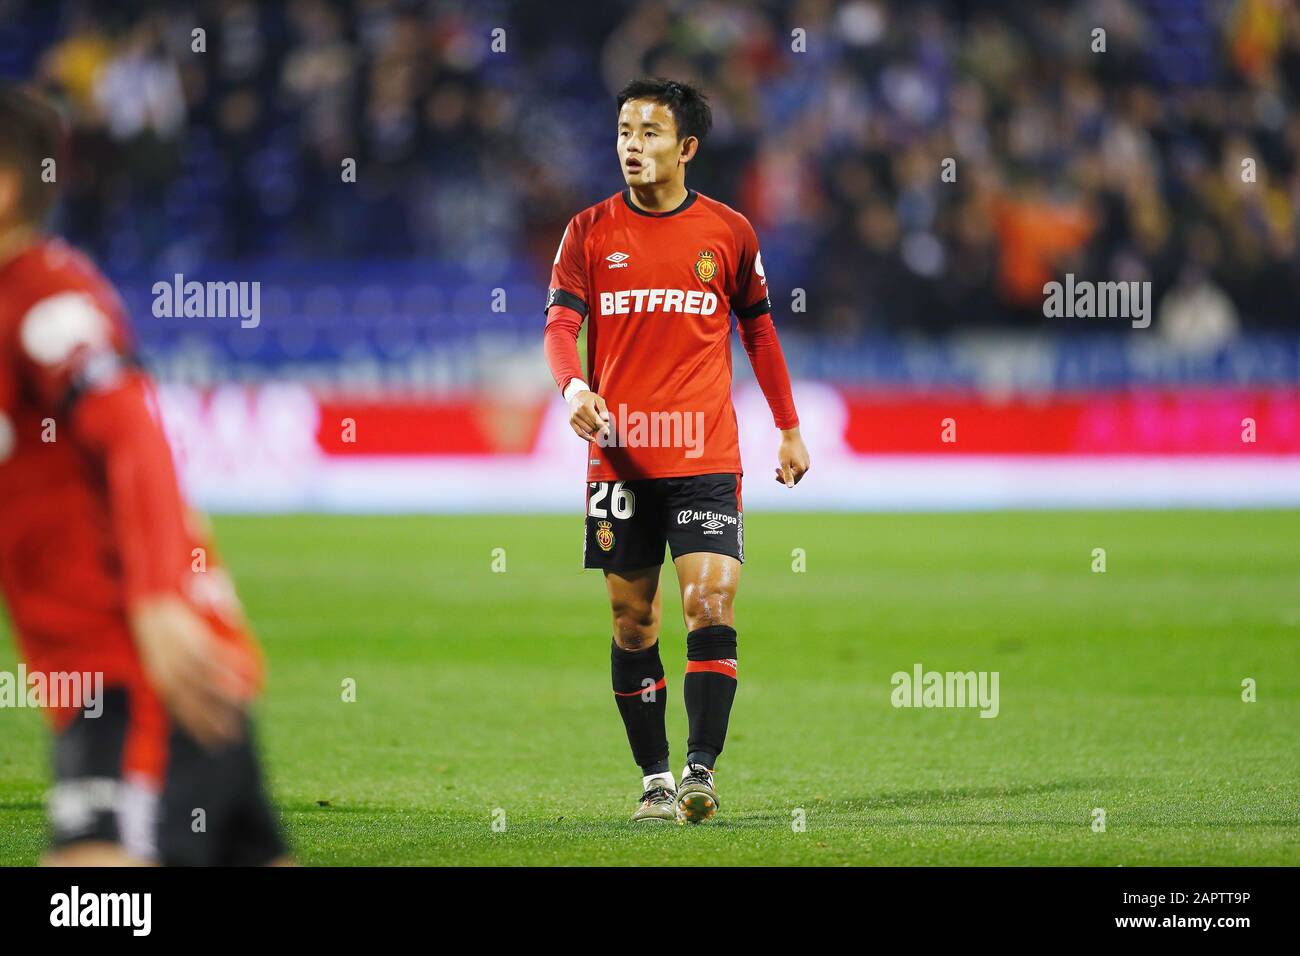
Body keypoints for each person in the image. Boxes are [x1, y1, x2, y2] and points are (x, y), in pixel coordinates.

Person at [0, 83, 288, 865]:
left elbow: (134, 431)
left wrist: (159, 598)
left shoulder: (42, 301)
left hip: (136, 669)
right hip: (135, 671)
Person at [543, 77, 810, 824]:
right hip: (621, 459)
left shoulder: (728, 233)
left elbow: (759, 329)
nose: (632, 144)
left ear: (686, 147)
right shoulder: (587, 232)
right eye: (625, 130)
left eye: (650, 132)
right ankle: (653, 777)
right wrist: (573, 391)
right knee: (635, 623)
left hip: (704, 456)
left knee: (709, 601)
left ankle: (701, 770)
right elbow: (561, 328)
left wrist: (788, 426)